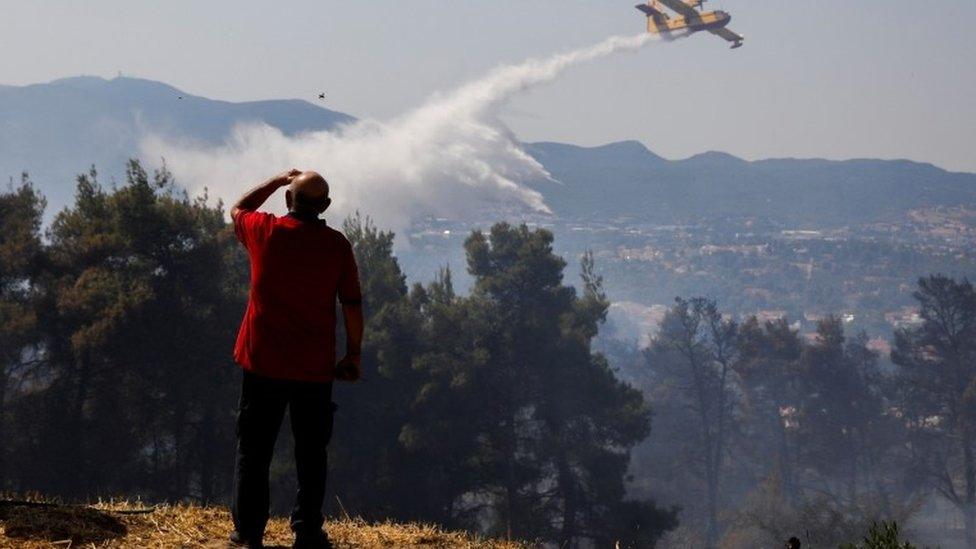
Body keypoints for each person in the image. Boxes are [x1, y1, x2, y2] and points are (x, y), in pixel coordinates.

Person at [228, 169, 364, 549]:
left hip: (262, 362)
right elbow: (351, 304)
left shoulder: (264, 232)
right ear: (326, 206)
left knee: (254, 450)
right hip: (314, 368)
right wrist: (353, 355)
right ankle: (307, 531)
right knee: (311, 452)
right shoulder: (337, 246)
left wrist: (276, 181)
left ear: (288, 201)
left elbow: (238, 208)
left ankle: (249, 533)